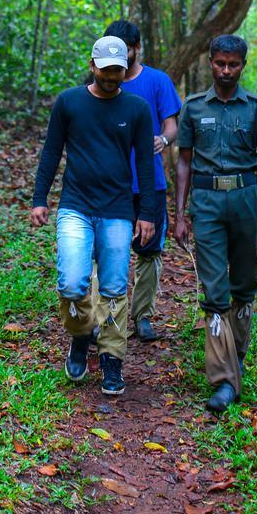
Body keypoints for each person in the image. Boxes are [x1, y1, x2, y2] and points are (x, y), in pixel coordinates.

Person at [31, 35, 155, 396]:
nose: (111, 76)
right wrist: (40, 198)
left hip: (117, 209)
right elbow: (52, 151)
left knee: (115, 287)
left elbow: (145, 164)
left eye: (118, 70)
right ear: (92, 65)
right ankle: (82, 334)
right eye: (105, 70)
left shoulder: (136, 109)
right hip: (76, 206)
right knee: (72, 282)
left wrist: (146, 212)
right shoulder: (70, 102)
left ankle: (112, 359)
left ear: (124, 68)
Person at [174, 34, 257, 413]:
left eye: (233, 64)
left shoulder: (255, 108)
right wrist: (179, 214)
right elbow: (183, 161)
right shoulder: (194, 107)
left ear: (243, 66)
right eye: (220, 63)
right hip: (207, 203)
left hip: (246, 199)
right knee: (215, 289)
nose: (226, 70)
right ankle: (223, 380)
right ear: (211, 63)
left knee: (245, 284)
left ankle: (239, 356)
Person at [101, 20, 182, 341]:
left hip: (150, 183)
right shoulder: (104, 82)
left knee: (149, 251)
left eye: (125, 50)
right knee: (107, 251)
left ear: (136, 48)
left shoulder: (157, 81)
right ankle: (106, 317)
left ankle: (143, 316)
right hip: (110, 184)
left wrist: (164, 139)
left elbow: (172, 125)